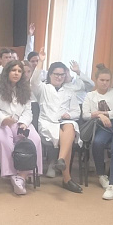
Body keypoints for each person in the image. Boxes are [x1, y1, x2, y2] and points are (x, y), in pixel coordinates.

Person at [0, 60, 42, 195]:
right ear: (7, 71)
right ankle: (12, 174)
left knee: (34, 138)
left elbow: (28, 111)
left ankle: (22, 176)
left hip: (19, 121)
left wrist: (23, 123)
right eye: (13, 70)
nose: (16, 73)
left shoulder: (25, 88)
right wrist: (4, 120)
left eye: (19, 71)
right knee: (4, 139)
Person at [31, 49, 82, 193]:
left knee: (70, 126)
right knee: (68, 140)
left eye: (62, 74)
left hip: (64, 122)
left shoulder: (69, 91)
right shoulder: (43, 88)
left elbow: (76, 112)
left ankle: (60, 160)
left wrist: (68, 114)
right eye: (56, 74)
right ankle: (67, 178)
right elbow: (33, 81)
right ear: (50, 74)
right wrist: (40, 61)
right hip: (47, 122)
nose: (59, 77)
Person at [81, 64, 113, 200]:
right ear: (96, 80)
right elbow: (85, 115)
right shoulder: (90, 95)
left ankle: (112, 185)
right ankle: (101, 175)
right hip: (103, 126)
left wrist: (105, 113)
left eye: (107, 80)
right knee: (97, 143)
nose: (105, 83)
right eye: (102, 80)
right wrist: (99, 115)